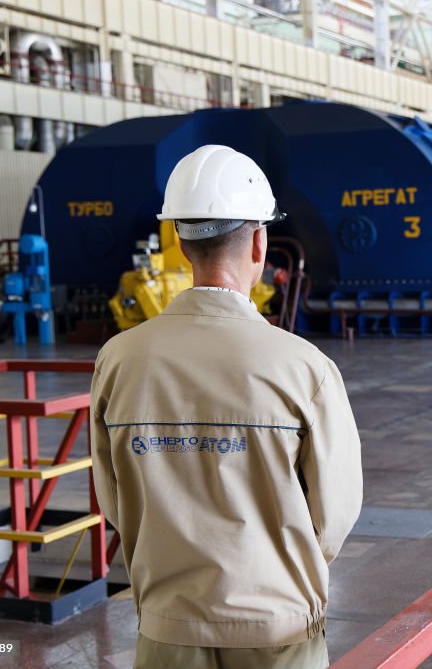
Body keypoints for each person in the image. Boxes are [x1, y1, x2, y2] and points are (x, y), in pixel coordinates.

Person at [90, 144, 362, 669]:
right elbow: (333, 517)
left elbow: (114, 500)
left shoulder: (118, 360)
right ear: (259, 241)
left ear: (180, 241)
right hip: (277, 627)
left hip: (168, 625)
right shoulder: (304, 368)